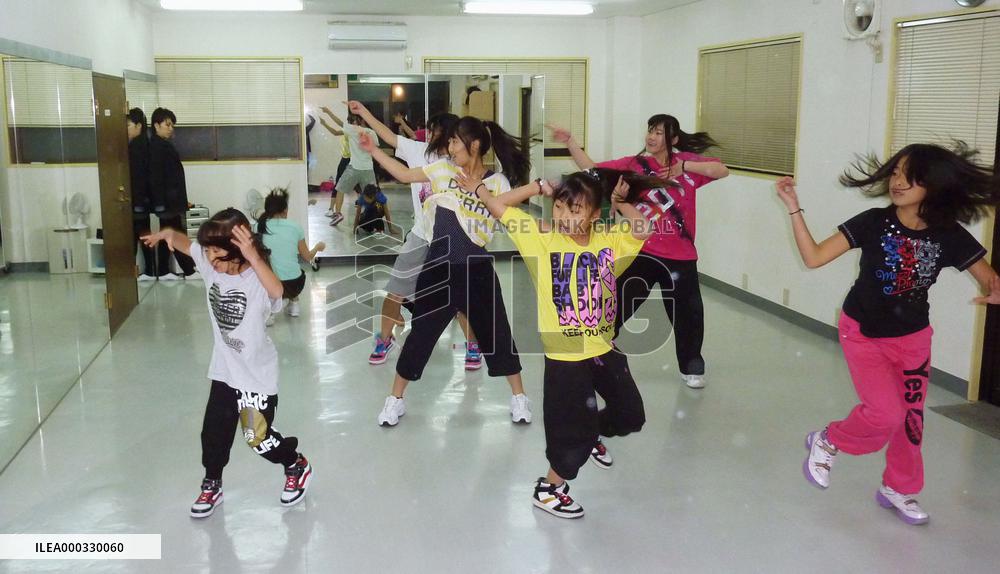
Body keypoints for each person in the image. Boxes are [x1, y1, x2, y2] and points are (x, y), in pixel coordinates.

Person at [778, 142, 1000, 525]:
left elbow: (987, 276)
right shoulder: (874, 221)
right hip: (862, 332)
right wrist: (794, 208)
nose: (897, 181)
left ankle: (899, 488)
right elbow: (813, 257)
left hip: (913, 338)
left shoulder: (948, 234)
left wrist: (994, 288)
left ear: (932, 184)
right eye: (895, 172)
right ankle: (829, 439)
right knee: (885, 413)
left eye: (908, 175)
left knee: (910, 420)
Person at [465, 167, 658, 518]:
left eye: (575, 209)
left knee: (632, 416)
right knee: (571, 436)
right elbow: (498, 206)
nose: (564, 217)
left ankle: (594, 432)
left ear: (594, 215)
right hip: (564, 357)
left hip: (603, 349)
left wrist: (622, 201)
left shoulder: (608, 241)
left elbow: (644, 228)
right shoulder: (541, 239)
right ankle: (549, 488)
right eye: (559, 208)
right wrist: (523, 188)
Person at [358, 117, 533, 427]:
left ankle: (519, 397)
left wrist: (479, 191)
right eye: (450, 141)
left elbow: (504, 215)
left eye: (455, 141)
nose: (449, 147)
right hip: (437, 268)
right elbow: (402, 173)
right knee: (420, 337)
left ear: (475, 145)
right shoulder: (441, 170)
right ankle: (395, 400)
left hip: (477, 270)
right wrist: (374, 150)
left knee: (498, 335)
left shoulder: (496, 183)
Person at [141, 209, 313, 518]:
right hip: (224, 372)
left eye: (216, 253)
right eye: (207, 252)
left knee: (256, 438)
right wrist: (167, 235)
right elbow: (185, 243)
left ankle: (295, 463)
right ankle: (213, 483)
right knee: (213, 434)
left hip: (254, 378)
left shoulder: (258, 280)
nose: (209, 259)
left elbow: (278, 293)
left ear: (238, 250)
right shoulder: (211, 267)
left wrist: (255, 257)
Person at [550, 114, 729, 389]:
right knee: (617, 300)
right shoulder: (635, 165)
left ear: (674, 139)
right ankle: (599, 347)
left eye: (659, 132)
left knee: (689, 314)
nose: (652, 137)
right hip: (642, 250)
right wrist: (571, 142)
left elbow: (722, 170)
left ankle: (691, 366)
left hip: (681, 255)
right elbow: (593, 169)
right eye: (650, 131)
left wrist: (685, 166)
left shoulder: (689, 167)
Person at [346, 100, 481, 369]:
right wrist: (364, 113)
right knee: (395, 291)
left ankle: (473, 346)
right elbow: (388, 136)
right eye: (429, 131)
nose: (429, 135)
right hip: (421, 235)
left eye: (435, 131)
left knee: (461, 298)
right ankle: (385, 339)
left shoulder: (460, 163)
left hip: (452, 239)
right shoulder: (418, 151)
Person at [257, 188, 325, 324]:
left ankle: (269, 312)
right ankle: (294, 305)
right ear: (285, 210)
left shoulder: (258, 227)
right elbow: (307, 257)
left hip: (270, 287)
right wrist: (318, 247)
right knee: (297, 270)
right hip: (294, 285)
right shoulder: (295, 227)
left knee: (261, 272)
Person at [149, 107, 198, 280]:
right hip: (167, 202)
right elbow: (157, 178)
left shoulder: (163, 144)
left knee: (166, 234)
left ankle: (162, 271)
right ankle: (189, 270)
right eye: (167, 124)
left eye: (172, 125)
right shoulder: (156, 146)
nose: (171, 128)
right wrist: (161, 203)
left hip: (172, 201)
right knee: (175, 233)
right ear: (156, 125)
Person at [319, 107, 378, 226]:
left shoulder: (352, 130)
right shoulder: (371, 133)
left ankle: (343, 214)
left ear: (360, 121)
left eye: (354, 121)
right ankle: (369, 216)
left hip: (355, 167)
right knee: (368, 193)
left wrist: (328, 111)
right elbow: (375, 147)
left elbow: (339, 123)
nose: (352, 123)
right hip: (366, 168)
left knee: (341, 188)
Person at [127, 108, 157, 281]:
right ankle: (148, 270)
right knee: (143, 235)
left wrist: (138, 200)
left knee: (140, 236)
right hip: (142, 199)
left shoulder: (138, 147)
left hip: (139, 199)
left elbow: (139, 177)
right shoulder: (142, 143)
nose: (126, 129)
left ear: (139, 125)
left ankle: (148, 271)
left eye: (129, 125)